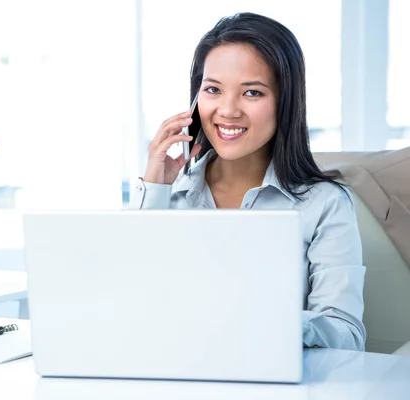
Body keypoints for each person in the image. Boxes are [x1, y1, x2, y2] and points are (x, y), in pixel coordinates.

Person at [129, 12, 366, 351]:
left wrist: (265, 320)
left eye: (252, 93)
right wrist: (154, 189)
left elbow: (347, 336)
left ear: (285, 103)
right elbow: (130, 308)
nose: (227, 110)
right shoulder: (170, 196)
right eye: (212, 89)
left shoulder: (324, 204)